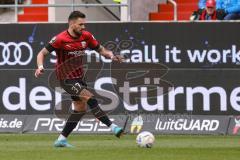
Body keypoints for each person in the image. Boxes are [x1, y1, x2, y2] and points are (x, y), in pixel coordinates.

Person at [35, 11, 124, 147]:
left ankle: (61, 139)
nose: (83, 27)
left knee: (80, 109)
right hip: (66, 79)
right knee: (90, 98)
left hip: (79, 77)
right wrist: (40, 67)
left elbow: (101, 50)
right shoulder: (60, 39)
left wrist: (112, 56)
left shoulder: (86, 36)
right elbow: (41, 53)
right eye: (80, 24)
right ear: (71, 23)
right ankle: (113, 127)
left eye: (84, 24)